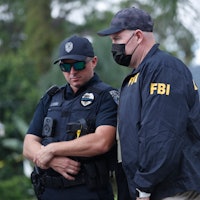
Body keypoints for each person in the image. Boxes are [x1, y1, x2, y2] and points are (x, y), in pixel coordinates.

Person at [97, 6, 200, 200]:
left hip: (171, 188)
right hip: (148, 188)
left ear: (137, 36)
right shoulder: (139, 75)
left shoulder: (163, 69)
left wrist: (145, 185)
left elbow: (161, 133)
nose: (114, 47)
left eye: (117, 39)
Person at [23, 35, 119, 200]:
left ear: (93, 62)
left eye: (79, 65)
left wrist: (52, 149)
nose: (72, 72)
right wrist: (52, 161)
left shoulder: (106, 96)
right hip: (48, 192)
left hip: (88, 192)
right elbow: (28, 144)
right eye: (65, 66)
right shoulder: (51, 97)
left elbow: (102, 142)